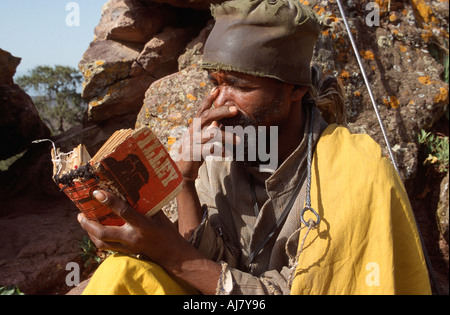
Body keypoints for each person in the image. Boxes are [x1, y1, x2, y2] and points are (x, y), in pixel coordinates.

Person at [77, 0, 431, 295]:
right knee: (118, 276)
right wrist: (183, 181)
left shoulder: (353, 170)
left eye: (239, 86)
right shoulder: (220, 154)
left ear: (295, 90)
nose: (220, 102)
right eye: (215, 83)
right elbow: (216, 265)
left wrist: (172, 254)